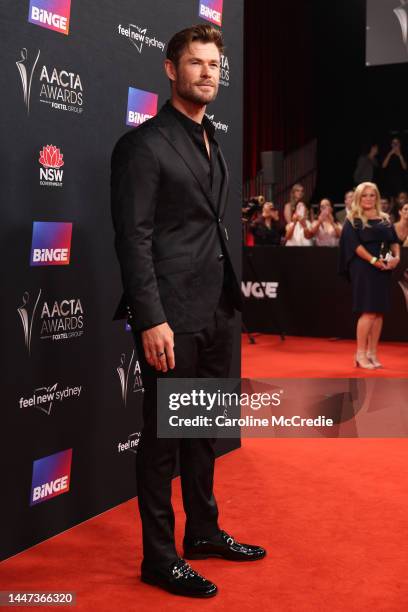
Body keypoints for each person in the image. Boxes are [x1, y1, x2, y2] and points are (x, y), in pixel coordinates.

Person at [111, 24, 265, 599]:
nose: (208, 73)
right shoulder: (143, 145)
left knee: (203, 431)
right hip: (170, 315)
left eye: (215, 65)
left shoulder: (212, 140)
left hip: (218, 307)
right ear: (171, 70)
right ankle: (159, 556)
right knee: (162, 441)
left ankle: (203, 532)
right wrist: (150, 317)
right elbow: (135, 238)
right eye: (196, 63)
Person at [339, 182, 400, 369]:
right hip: (364, 268)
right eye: (364, 195)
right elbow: (354, 245)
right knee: (368, 311)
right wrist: (373, 260)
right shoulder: (353, 219)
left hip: (383, 267)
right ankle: (360, 354)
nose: (368, 199)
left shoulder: (385, 219)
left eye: (372, 195)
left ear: (377, 197)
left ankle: (372, 353)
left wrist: (396, 257)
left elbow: (393, 240)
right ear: (358, 197)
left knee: (379, 312)